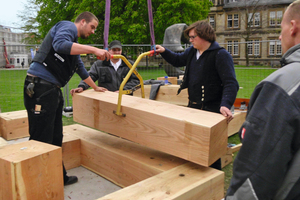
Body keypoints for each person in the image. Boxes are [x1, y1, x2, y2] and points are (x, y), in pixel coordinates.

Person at [23, 11, 111, 186]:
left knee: (56, 137)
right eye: (92, 27)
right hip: (40, 88)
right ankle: (36, 186)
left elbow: (79, 66)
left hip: (51, 90)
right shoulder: (67, 26)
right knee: (41, 138)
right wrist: (94, 49)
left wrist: (94, 87)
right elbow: (60, 44)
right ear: (83, 22)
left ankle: (57, 177)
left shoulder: (74, 44)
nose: (93, 31)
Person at [226, 1, 300, 199]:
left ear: (293, 27)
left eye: (280, 27)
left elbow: (254, 177)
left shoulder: (283, 85)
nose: (278, 35)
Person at [155, 20, 239, 170]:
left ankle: (212, 182)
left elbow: (231, 83)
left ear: (204, 36)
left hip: (212, 110)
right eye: (190, 37)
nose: (190, 40)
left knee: (211, 151)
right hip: (193, 106)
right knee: (192, 146)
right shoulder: (192, 52)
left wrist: (225, 104)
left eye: (193, 37)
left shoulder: (220, 55)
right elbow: (177, 59)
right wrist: (163, 51)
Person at [70, 40, 139, 95]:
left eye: (119, 50)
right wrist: (82, 87)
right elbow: (91, 76)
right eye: (114, 50)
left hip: (125, 97)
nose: (117, 52)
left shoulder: (129, 64)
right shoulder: (99, 64)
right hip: (106, 97)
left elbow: (136, 80)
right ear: (109, 50)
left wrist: (122, 90)